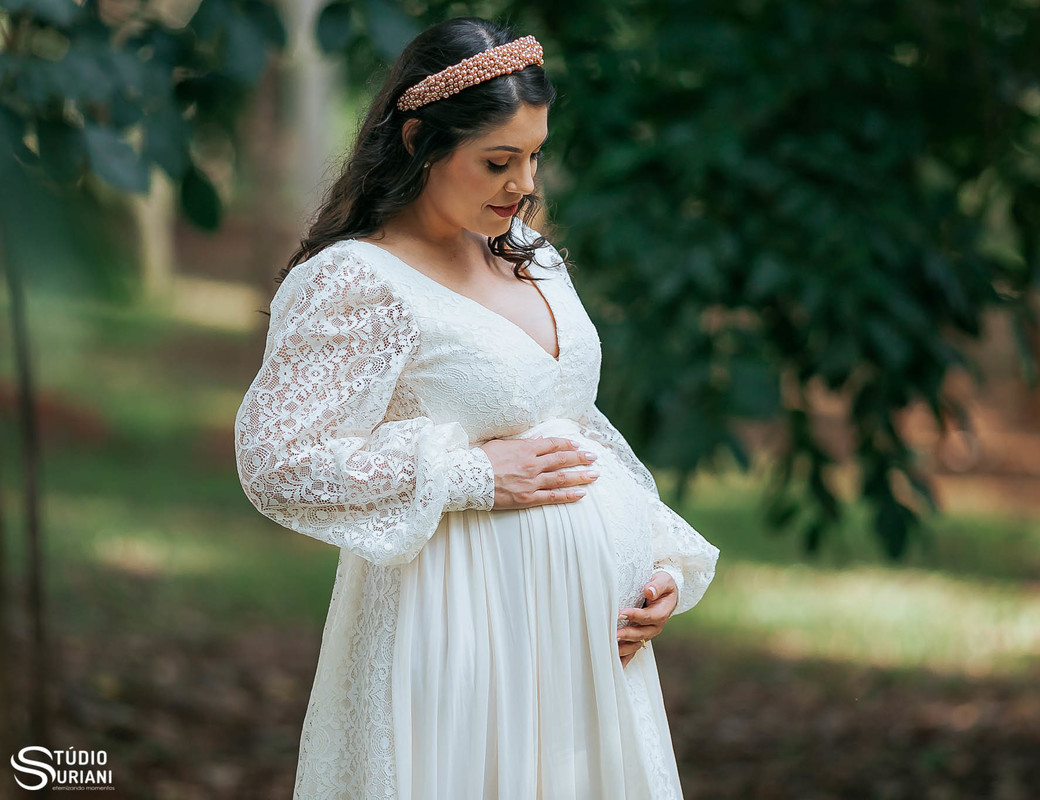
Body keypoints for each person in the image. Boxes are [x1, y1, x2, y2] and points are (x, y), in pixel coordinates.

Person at [233, 16, 720, 800]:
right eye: (499, 160)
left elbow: (569, 425)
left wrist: (657, 565)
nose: (524, 184)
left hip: (589, 655)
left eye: (534, 156)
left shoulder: (531, 256)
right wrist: (469, 477)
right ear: (420, 139)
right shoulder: (359, 281)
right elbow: (276, 463)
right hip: (457, 632)